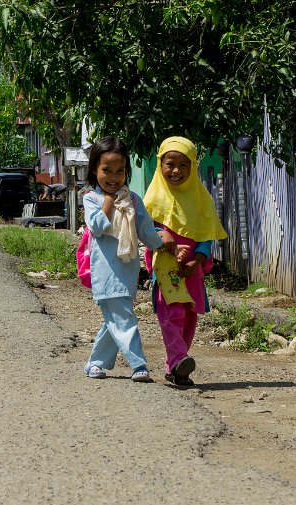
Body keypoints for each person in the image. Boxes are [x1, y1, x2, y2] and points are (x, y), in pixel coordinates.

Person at [82, 136, 179, 382]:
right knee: (123, 317)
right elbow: (97, 227)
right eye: (106, 170)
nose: (113, 177)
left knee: (114, 319)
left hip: (127, 268)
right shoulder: (91, 199)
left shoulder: (133, 199)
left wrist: (162, 243)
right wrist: (108, 203)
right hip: (105, 271)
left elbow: (145, 229)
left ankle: (95, 363)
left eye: (119, 171)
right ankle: (138, 364)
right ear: (95, 169)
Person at [143, 136, 228, 387]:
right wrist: (162, 234)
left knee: (189, 318)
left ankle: (175, 369)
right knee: (172, 314)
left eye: (184, 164)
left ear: (193, 166)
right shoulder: (151, 199)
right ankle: (180, 357)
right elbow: (144, 228)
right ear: (161, 165)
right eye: (170, 164)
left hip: (192, 270)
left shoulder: (202, 199)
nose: (176, 171)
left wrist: (197, 260)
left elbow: (206, 234)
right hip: (166, 268)